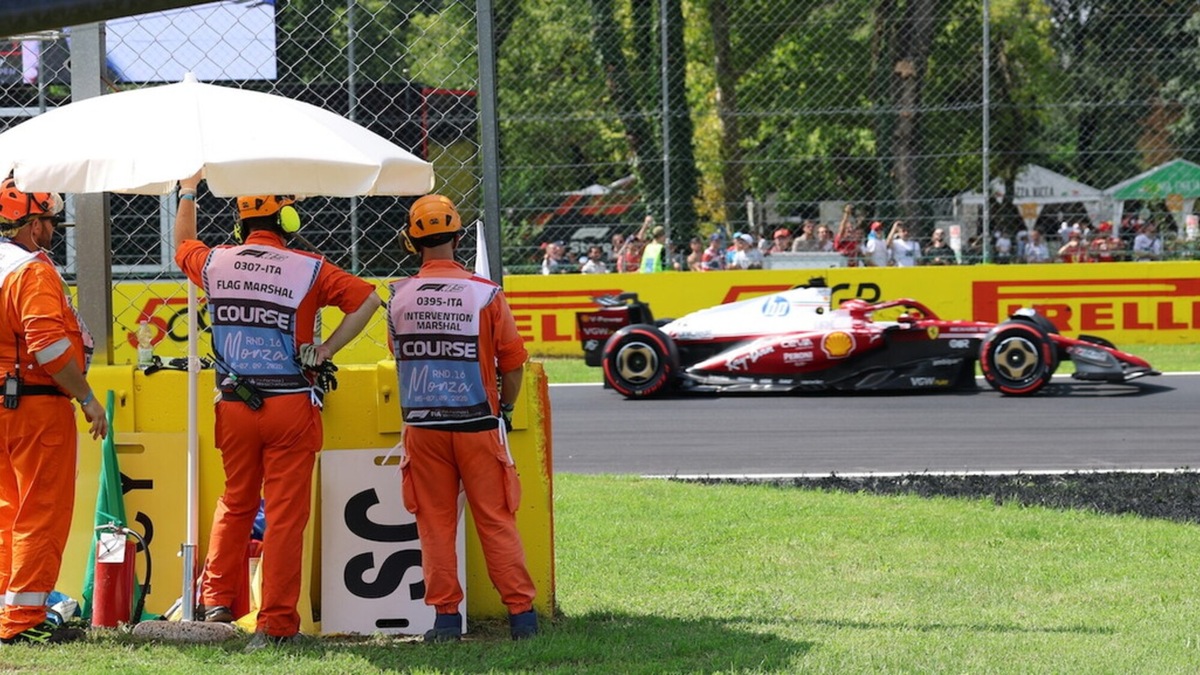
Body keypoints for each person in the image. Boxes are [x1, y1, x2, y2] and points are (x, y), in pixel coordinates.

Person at [173, 174, 380, 650]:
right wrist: (325, 349)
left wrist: (188, 191)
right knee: (285, 516)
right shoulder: (308, 267)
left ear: (241, 221)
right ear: (287, 218)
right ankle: (277, 623)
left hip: (234, 403)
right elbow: (367, 299)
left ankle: (216, 600)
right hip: (290, 403)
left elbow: (183, 242)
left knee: (236, 500)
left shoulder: (216, 261)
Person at [387, 194, 538, 643]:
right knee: (495, 518)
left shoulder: (397, 297)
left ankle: (446, 621)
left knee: (434, 523)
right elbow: (513, 365)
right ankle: (522, 618)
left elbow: (400, 356)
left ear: (413, 242)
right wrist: (505, 410)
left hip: (423, 428)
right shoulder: (487, 294)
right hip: (477, 423)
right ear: (457, 237)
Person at [0, 177, 107, 645]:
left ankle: (6, 609)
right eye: (47, 221)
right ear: (31, 224)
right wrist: (87, 397)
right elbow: (47, 346)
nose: (51, 230)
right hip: (36, 407)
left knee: (5, 512)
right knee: (40, 511)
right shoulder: (31, 271)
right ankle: (22, 620)